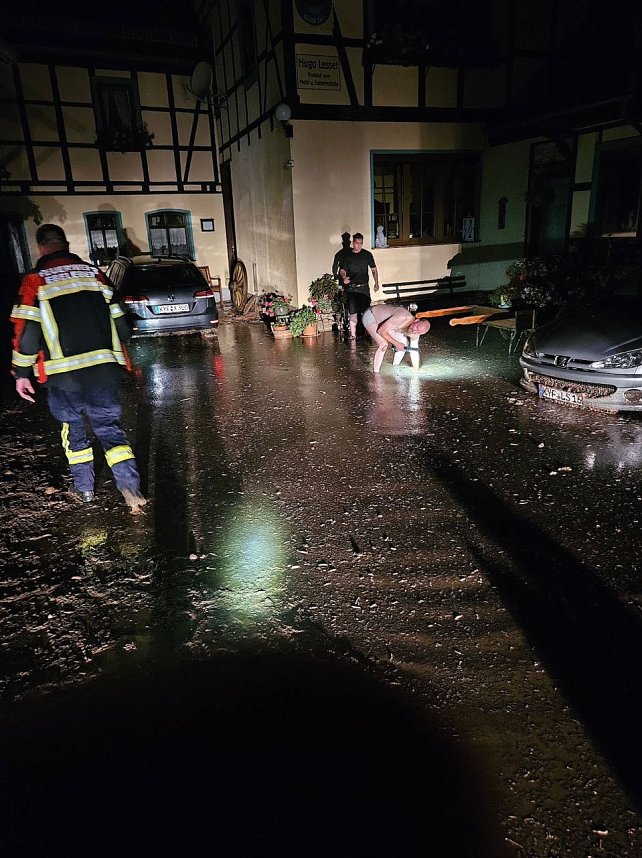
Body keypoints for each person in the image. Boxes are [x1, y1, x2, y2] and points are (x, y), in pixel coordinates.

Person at [11, 224, 146, 513]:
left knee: (74, 430)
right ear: (66, 243)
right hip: (103, 371)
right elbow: (123, 326)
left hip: (63, 377)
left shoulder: (35, 282)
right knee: (110, 428)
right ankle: (131, 491)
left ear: (40, 248)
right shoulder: (95, 275)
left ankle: (84, 490)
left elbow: (27, 335)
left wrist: (22, 374)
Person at [362, 303, 431, 372]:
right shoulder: (402, 317)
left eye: (418, 332)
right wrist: (396, 344)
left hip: (386, 323)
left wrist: (416, 369)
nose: (414, 331)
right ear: (416, 320)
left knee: (403, 344)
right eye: (417, 327)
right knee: (383, 344)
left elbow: (414, 351)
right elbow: (381, 331)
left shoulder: (416, 333)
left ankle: (395, 366)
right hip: (371, 315)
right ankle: (376, 374)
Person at [339, 232, 380, 339]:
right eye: (357, 243)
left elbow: (374, 270)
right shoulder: (347, 256)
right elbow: (341, 269)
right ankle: (353, 334)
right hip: (352, 288)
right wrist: (344, 278)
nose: (359, 246)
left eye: (361, 243)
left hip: (364, 287)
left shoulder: (367, 255)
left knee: (366, 312)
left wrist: (376, 282)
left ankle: (369, 333)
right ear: (353, 243)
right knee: (353, 312)